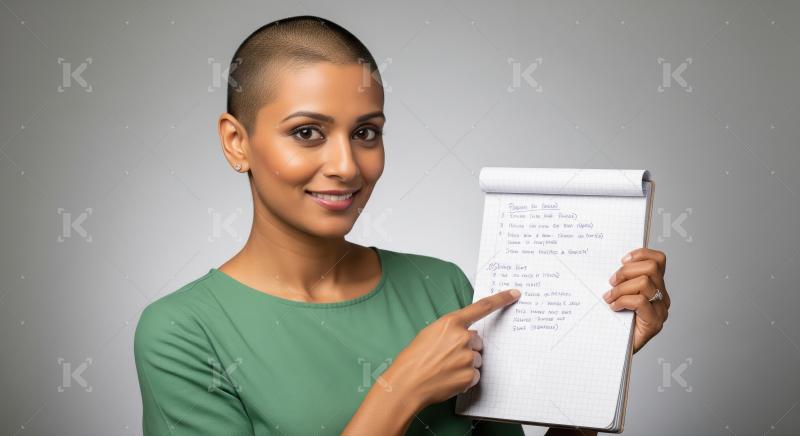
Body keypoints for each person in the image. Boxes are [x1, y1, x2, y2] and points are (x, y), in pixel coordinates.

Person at [133, 15, 671, 436]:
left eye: (366, 133)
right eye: (307, 133)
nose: (347, 165)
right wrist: (398, 391)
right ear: (237, 142)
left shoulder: (444, 288)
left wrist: (606, 358)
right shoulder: (182, 332)